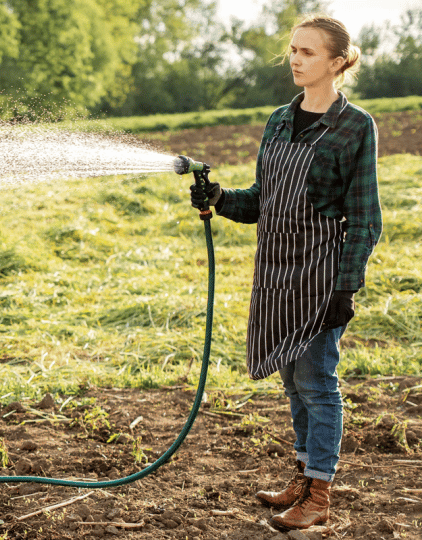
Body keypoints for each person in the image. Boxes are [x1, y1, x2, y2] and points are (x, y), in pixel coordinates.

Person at [190, 14, 382, 531]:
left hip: (320, 275)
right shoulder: (278, 119)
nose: (296, 60)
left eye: (309, 52)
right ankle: (302, 473)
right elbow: (260, 202)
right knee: (293, 383)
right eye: (293, 50)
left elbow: (366, 218)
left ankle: (319, 494)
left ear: (337, 62)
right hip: (274, 274)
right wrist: (220, 198)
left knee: (318, 382)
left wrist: (346, 287)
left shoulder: (355, 126)